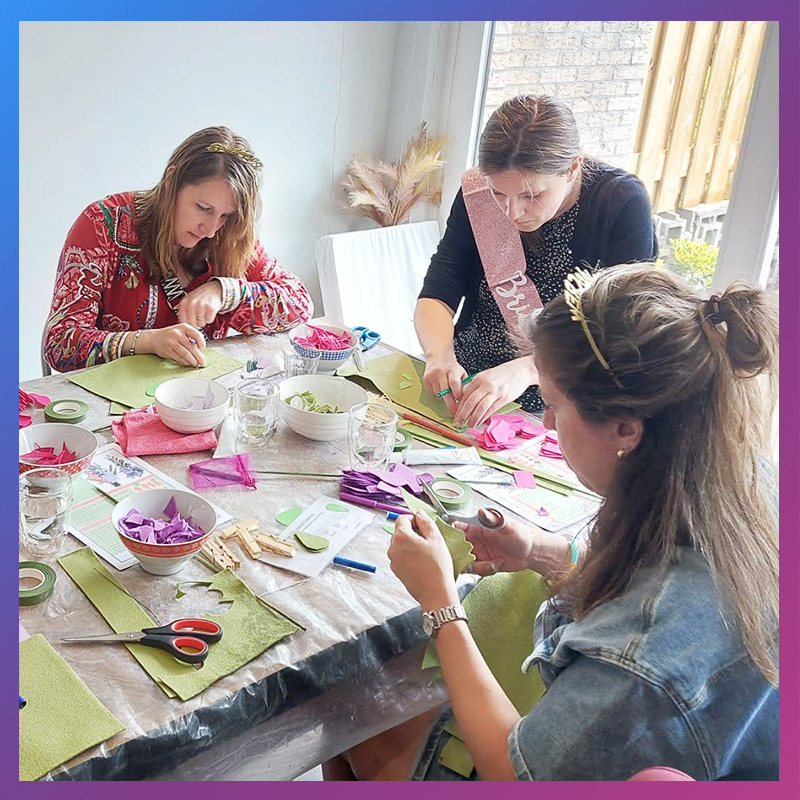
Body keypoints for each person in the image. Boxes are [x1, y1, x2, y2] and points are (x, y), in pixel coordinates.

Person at [325, 264, 779, 781]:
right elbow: (653, 578)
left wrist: (440, 605)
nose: (544, 422)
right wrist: (545, 552)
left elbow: (514, 775)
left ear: (626, 430)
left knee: (346, 715)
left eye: (554, 405)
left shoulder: (641, 657)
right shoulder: (743, 478)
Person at [416, 95, 657, 427]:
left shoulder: (620, 203)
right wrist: (439, 356)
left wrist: (529, 369)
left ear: (572, 168)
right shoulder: (479, 193)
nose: (512, 212)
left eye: (532, 195)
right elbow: (440, 287)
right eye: (498, 193)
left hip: (563, 405)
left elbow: (624, 330)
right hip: (467, 385)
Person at [44, 126, 313, 372]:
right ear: (171, 180)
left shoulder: (228, 236)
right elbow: (60, 344)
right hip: (109, 402)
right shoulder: (102, 224)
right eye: (203, 208)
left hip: (201, 396)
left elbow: (300, 304)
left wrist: (224, 291)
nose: (211, 229)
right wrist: (147, 342)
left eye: (224, 215)